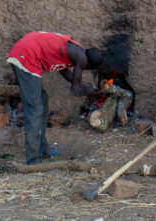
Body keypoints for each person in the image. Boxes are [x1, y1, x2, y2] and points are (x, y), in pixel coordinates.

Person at [6, 31, 103, 165]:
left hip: (23, 51)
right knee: (34, 108)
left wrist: (86, 87)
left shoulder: (76, 50)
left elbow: (68, 75)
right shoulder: (81, 58)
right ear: (88, 64)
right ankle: (33, 160)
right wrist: (91, 91)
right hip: (26, 56)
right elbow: (75, 89)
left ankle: (43, 149)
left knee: (43, 99)